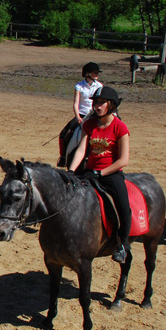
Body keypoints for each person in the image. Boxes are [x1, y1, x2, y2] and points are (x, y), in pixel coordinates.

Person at [67, 86, 132, 264]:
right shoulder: (89, 124)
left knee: (124, 207)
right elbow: (81, 150)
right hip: (89, 172)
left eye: (101, 103)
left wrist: (100, 172)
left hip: (110, 173)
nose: (97, 106)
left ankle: (122, 244)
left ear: (111, 105)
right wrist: (71, 171)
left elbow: (123, 160)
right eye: (95, 102)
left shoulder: (120, 127)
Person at [58, 62, 103, 167]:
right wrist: (77, 116)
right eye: (95, 73)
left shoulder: (99, 86)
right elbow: (76, 103)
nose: (97, 75)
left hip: (94, 114)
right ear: (88, 74)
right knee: (64, 133)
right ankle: (63, 157)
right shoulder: (79, 86)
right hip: (82, 115)